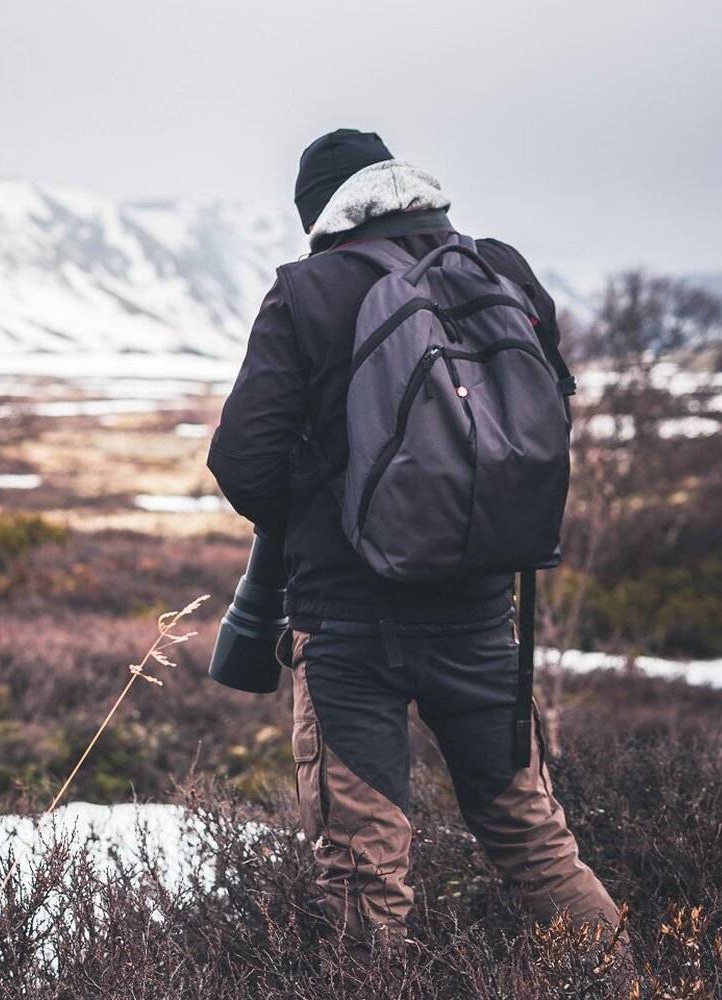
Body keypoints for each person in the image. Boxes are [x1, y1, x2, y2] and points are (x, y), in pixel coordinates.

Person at [206, 128, 619, 947]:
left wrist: (331, 491)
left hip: (348, 621)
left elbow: (243, 463)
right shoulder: (500, 268)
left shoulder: (308, 290)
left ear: (318, 214)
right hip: (480, 614)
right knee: (536, 844)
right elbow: (544, 419)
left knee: (365, 871)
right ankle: (641, 982)